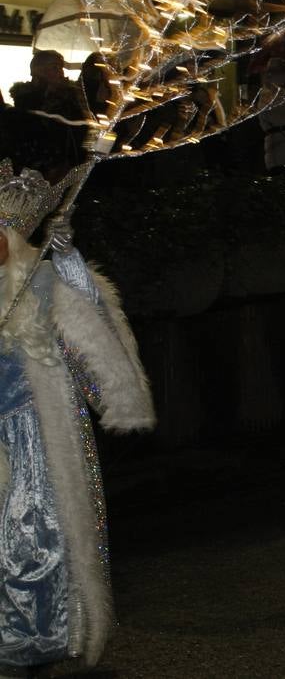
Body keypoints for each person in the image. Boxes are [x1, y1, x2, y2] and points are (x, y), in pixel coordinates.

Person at [0, 162, 155, 671]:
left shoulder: (40, 281)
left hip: (39, 433)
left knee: (36, 537)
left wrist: (67, 258)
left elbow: (88, 316)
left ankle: (38, 638)